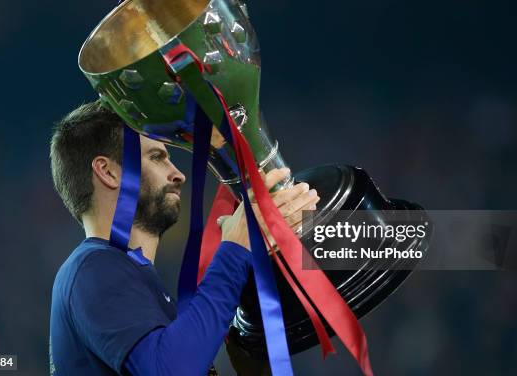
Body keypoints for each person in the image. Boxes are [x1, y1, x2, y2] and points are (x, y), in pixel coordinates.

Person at [48, 101, 320, 375]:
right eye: (156, 157)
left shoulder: (129, 278)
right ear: (108, 172)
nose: (178, 174)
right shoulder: (94, 267)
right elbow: (172, 370)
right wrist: (236, 248)